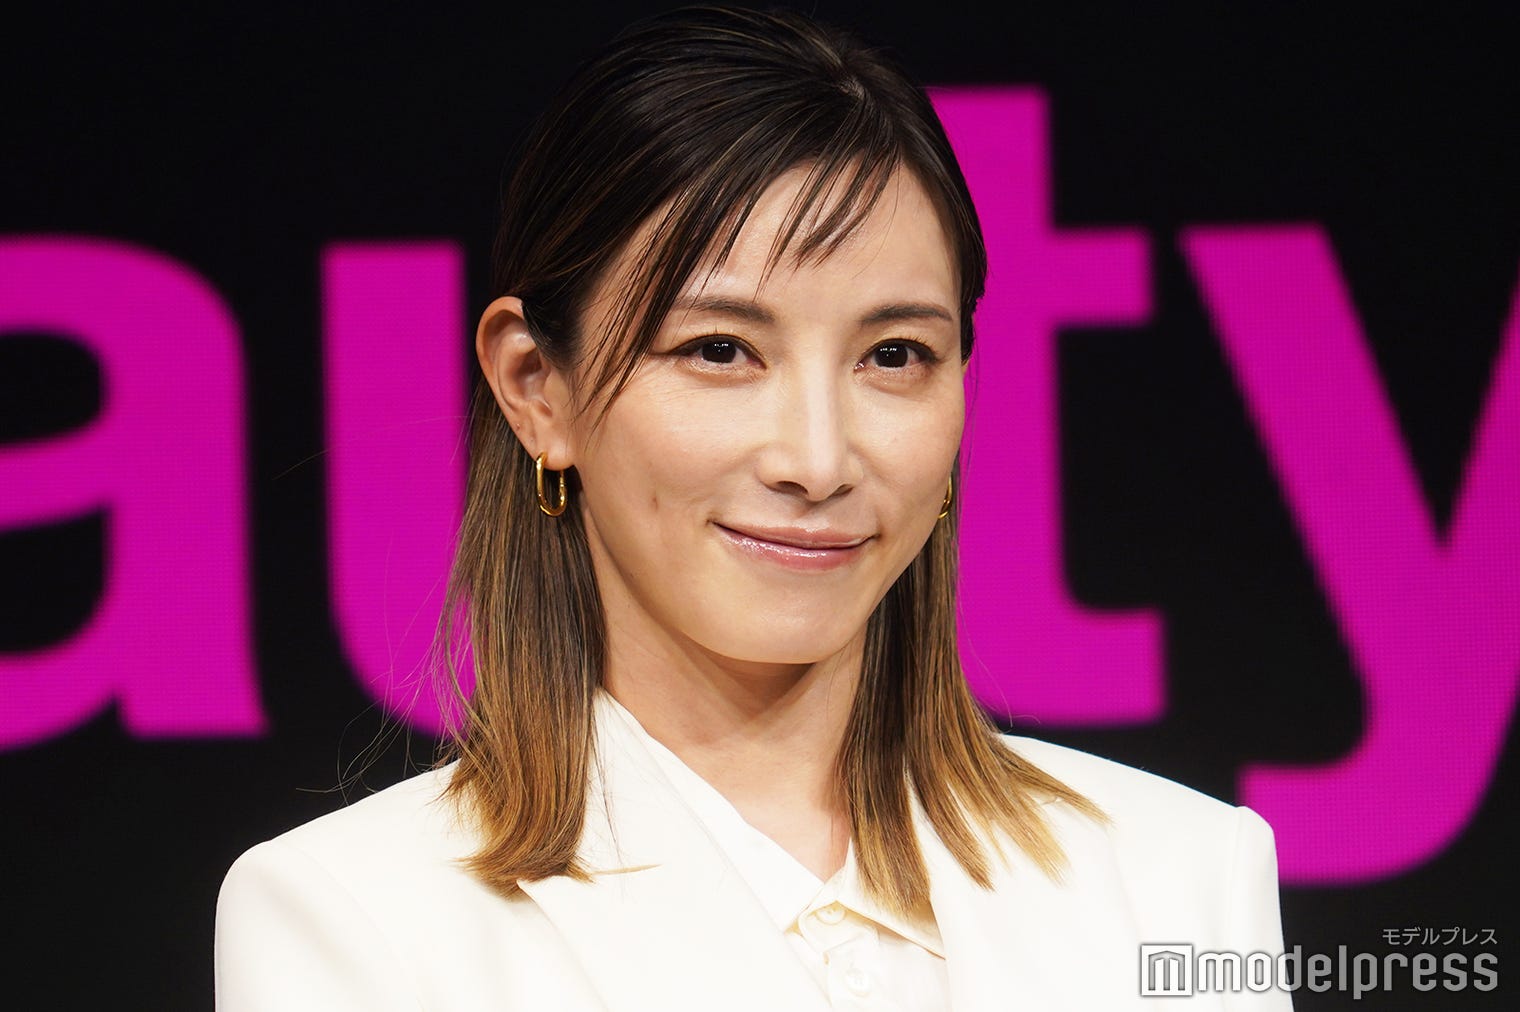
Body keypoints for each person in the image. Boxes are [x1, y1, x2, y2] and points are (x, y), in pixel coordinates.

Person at [215, 6, 1290, 1010]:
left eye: (893, 355)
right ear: (537, 387)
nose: (817, 460)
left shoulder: (1179, 876)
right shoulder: (360, 919)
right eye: (720, 349)